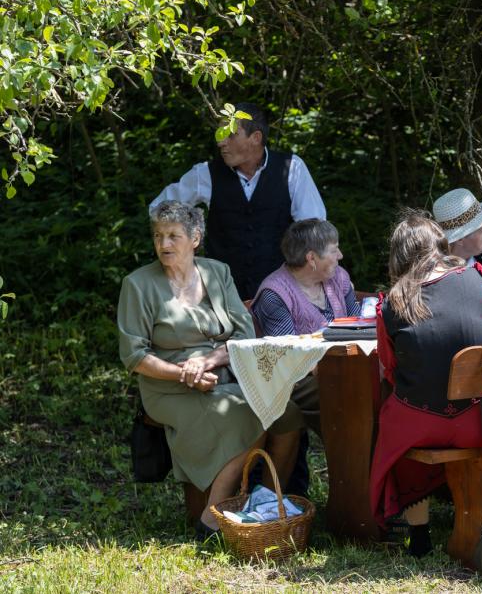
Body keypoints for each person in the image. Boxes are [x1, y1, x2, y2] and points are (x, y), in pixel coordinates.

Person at [117, 201, 301, 538]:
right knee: (248, 416)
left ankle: (264, 502)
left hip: (222, 374)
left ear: (195, 238)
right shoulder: (138, 284)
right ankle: (212, 519)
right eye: (158, 236)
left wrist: (210, 361)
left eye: (173, 236)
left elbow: (244, 332)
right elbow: (134, 356)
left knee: (286, 413)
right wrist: (185, 373)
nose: (164, 244)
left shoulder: (217, 272)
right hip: (167, 386)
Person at [369, 211, 482, 557]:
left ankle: (419, 532)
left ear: (399, 255)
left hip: (419, 424)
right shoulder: (480, 279)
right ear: (439, 244)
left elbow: (391, 370)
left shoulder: (391, 302)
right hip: (479, 422)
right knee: (407, 415)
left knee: (395, 424)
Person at [149, 103, 326, 300]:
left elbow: (313, 229)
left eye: (231, 135)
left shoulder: (291, 168)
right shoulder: (205, 174)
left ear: (256, 138)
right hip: (222, 294)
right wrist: (189, 239)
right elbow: (158, 209)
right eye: (220, 134)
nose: (221, 142)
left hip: (282, 292)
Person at [250, 219, 361, 495]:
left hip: (341, 371)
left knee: (372, 394)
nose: (340, 256)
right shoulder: (275, 294)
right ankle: (354, 496)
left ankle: (366, 492)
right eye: (334, 250)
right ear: (311, 258)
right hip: (293, 383)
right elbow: (288, 358)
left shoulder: (337, 278)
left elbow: (358, 325)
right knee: (352, 401)